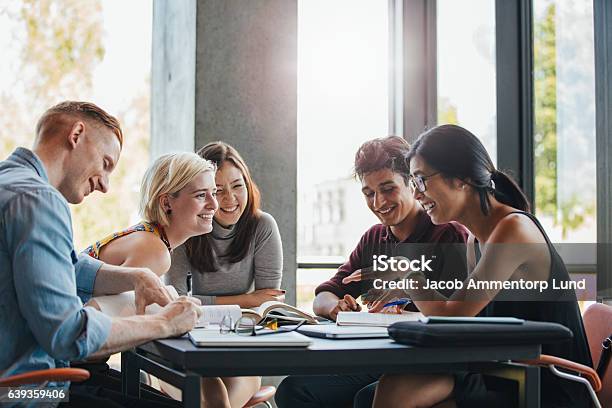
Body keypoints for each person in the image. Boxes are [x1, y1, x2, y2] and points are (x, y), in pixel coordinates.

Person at [343, 125, 592, 408]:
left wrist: (407, 274)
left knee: (392, 392)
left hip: (546, 383)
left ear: (461, 179)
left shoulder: (513, 229)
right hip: (503, 370)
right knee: (381, 392)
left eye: (422, 181)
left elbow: (452, 315)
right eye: (413, 183)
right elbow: (462, 321)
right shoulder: (476, 239)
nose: (418, 194)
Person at [0, 101, 202, 408]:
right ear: (77, 134)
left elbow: (65, 262)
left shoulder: (11, 185)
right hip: (26, 393)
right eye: (106, 163)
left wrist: (135, 276)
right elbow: (69, 334)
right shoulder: (39, 200)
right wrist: (165, 323)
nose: (105, 185)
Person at [275, 136, 469, 408]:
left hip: (432, 364)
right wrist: (336, 307)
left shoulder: (447, 234)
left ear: (412, 185)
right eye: (369, 193)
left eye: (388, 189)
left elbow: (456, 318)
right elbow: (323, 296)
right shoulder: (374, 238)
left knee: (367, 398)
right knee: (294, 390)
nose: (378, 202)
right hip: (382, 360)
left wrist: (403, 311)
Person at [164, 141, 283, 407]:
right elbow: (176, 305)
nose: (229, 199)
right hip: (188, 347)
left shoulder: (262, 226)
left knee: (218, 402)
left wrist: (210, 302)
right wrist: (246, 299)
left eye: (237, 186)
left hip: (240, 348)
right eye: (217, 190)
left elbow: (268, 304)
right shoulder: (184, 230)